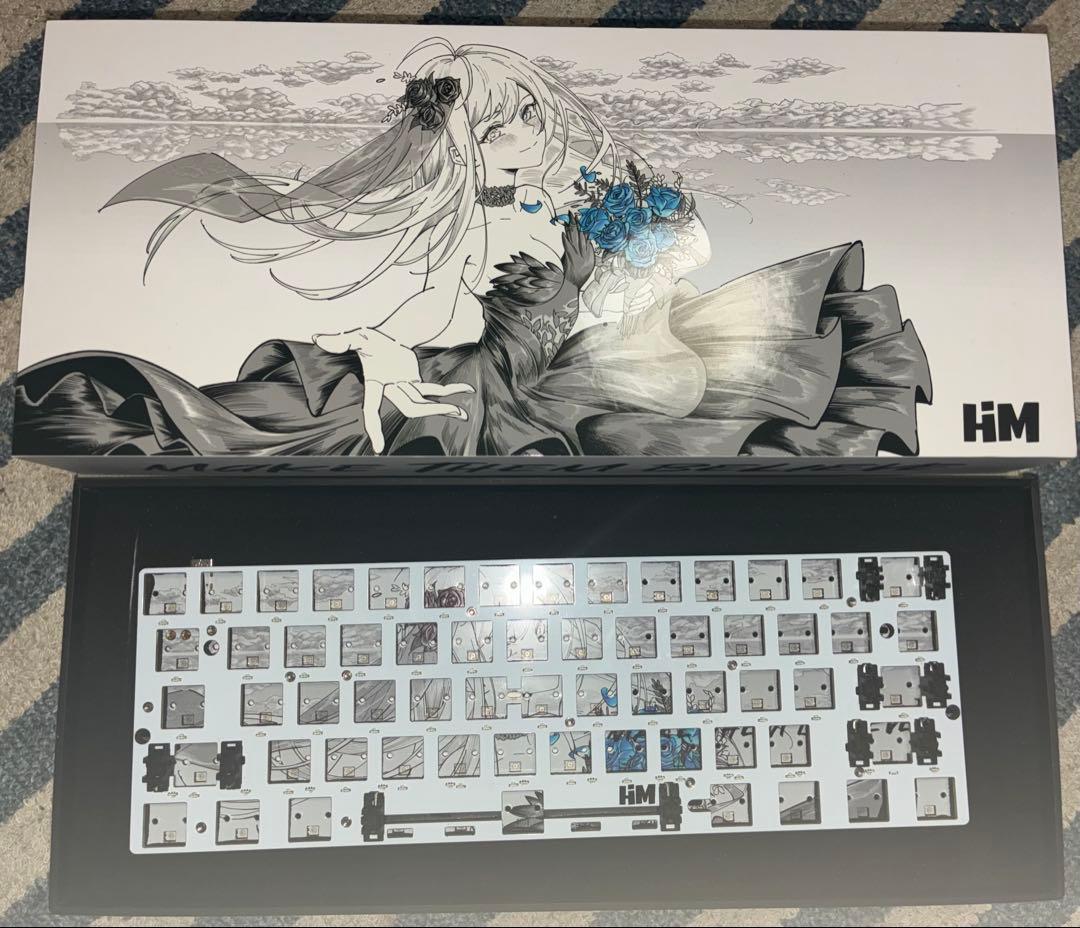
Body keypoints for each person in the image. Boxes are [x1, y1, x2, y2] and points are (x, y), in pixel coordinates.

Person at [15, 38, 930, 457]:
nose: (527, 129)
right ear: (463, 146)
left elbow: (679, 247)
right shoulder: (484, 223)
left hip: (603, 360)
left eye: (527, 109)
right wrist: (379, 346)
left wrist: (631, 245)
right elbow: (439, 306)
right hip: (508, 386)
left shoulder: (579, 190)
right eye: (498, 127)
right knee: (280, 425)